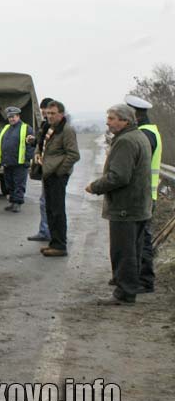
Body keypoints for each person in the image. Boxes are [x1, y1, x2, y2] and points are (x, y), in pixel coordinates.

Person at [86, 104, 152, 305]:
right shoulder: (139, 136)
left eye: (112, 118)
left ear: (125, 120)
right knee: (134, 250)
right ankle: (128, 287)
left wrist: (95, 187)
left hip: (125, 207)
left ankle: (124, 294)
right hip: (138, 205)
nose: (108, 122)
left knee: (123, 252)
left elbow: (119, 176)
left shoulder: (125, 141)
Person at [123, 95, 162, 293]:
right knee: (138, 238)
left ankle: (145, 280)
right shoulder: (150, 131)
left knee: (142, 239)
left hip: (144, 195)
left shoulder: (145, 135)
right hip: (147, 193)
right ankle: (136, 277)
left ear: (134, 115)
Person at [39, 100, 80, 256]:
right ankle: (53, 242)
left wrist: (60, 171)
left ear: (61, 114)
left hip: (57, 176)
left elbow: (74, 155)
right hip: (48, 174)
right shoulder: (50, 128)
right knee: (50, 210)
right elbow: (43, 146)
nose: (49, 116)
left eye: (53, 113)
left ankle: (60, 245)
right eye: (48, 113)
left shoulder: (67, 130)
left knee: (57, 211)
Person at [0, 106, 35, 212]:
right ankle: (12, 202)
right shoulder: (6, 128)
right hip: (8, 162)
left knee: (19, 184)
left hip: (20, 163)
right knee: (9, 184)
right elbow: (0, 144)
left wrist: (27, 158)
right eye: (10, 117)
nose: (11, 119)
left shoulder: (26, 128)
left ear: (18, 116)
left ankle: (17, 203)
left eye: (13, 117)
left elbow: (31, 146)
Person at [27, 98, 54, 241]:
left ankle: (48, 232)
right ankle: (47, 231)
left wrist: (56, 168)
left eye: (46, 110)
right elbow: (42, 143)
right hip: (46, 169)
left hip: (52, 171)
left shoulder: (56, 127)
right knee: (45, 202)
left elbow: (71, 154)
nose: (44, 112)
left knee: (48, 202)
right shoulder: (46, 124)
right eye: (43, 110)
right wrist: (34, 141)